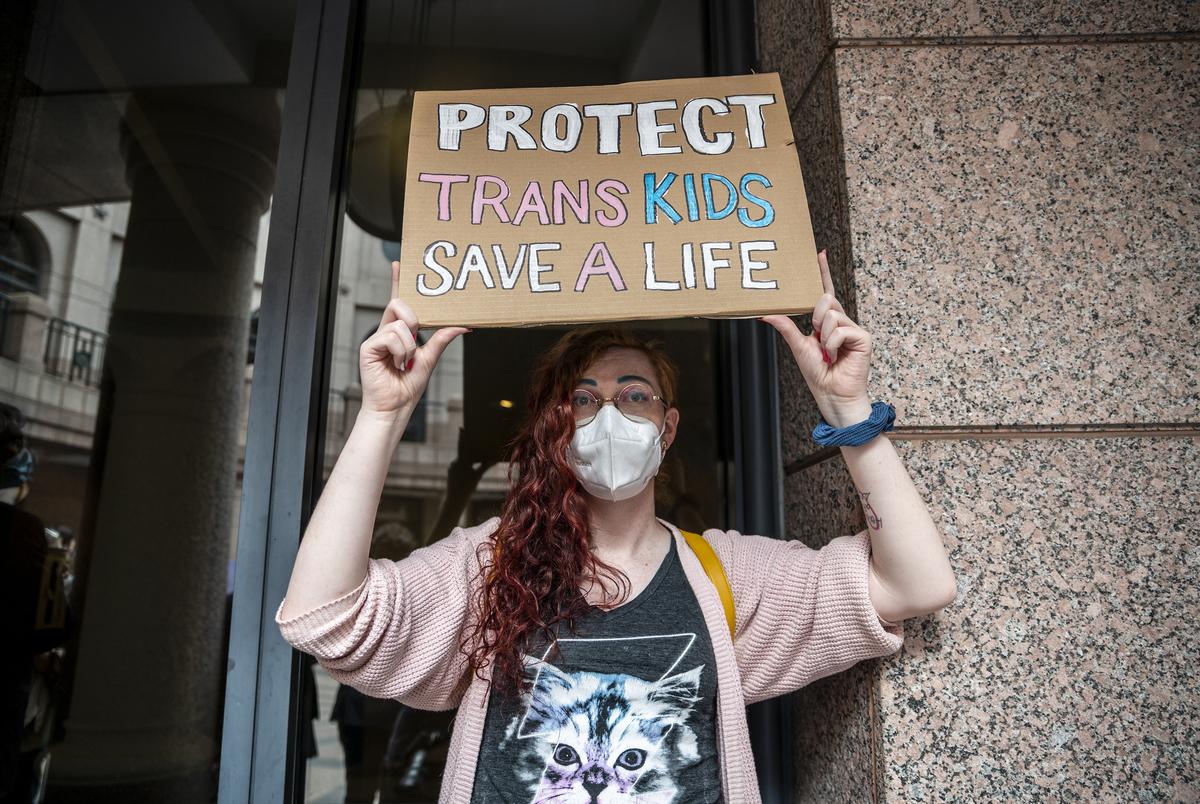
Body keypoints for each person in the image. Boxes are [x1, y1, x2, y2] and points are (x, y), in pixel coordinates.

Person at [276, 252, 958, 803]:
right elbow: (321, 619)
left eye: (634, 393)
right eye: (584, 397)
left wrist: (850, 409)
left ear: (666, 430)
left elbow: (916, 582)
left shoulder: (726, 575)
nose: (609, 412)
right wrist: (382, 417)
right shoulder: (491, 564)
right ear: (559, 426)